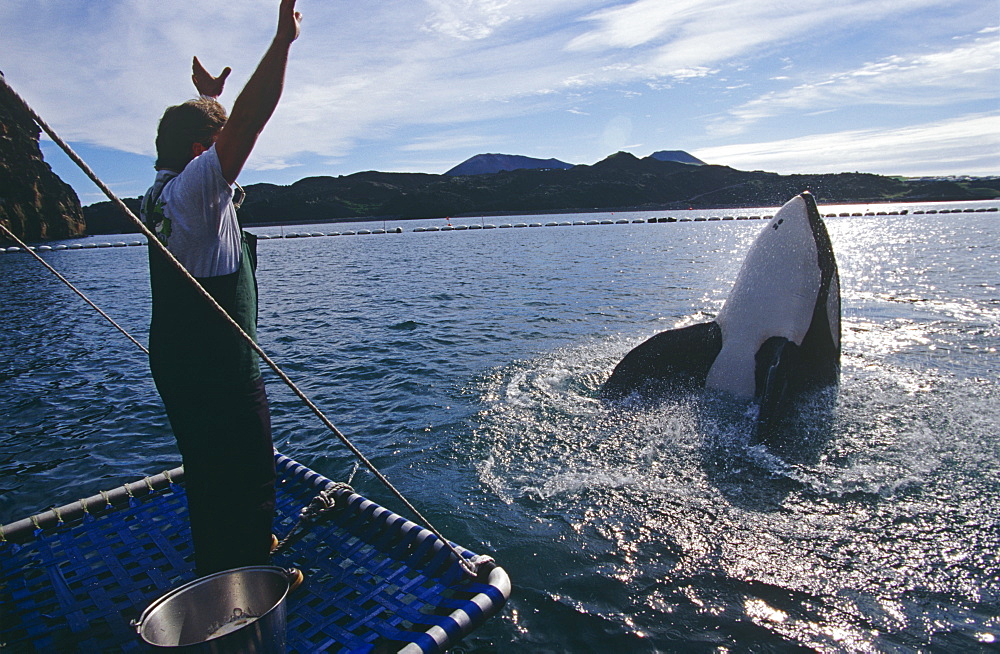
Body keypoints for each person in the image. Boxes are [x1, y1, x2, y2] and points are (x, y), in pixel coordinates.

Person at [140, 0, 301, 577]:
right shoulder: (194, 193)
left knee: (209, 472)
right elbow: (250, 121)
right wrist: (282, 41)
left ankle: (222, 560)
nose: (230, 155)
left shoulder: (159, 193)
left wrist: (208, 101)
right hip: (218, 367)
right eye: (217, 142)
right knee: (250, 472)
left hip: (180, 360)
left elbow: (220, 132)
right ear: (198, 154)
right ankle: (245, 585)